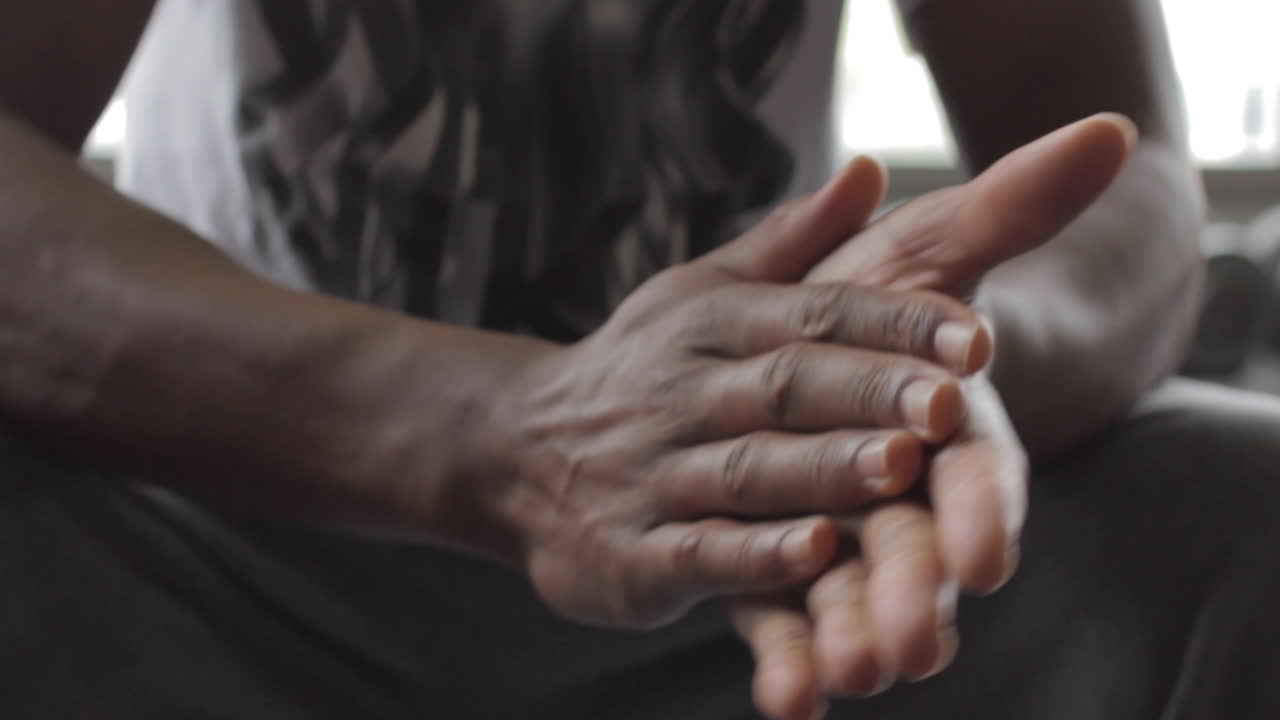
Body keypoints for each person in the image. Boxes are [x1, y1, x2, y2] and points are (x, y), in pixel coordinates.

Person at [2, 1, 1279, 719]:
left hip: (764, 564)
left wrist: (913, 382)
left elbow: (1128, 178)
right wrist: (498, 439)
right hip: (239, 533)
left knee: (1247, 512)